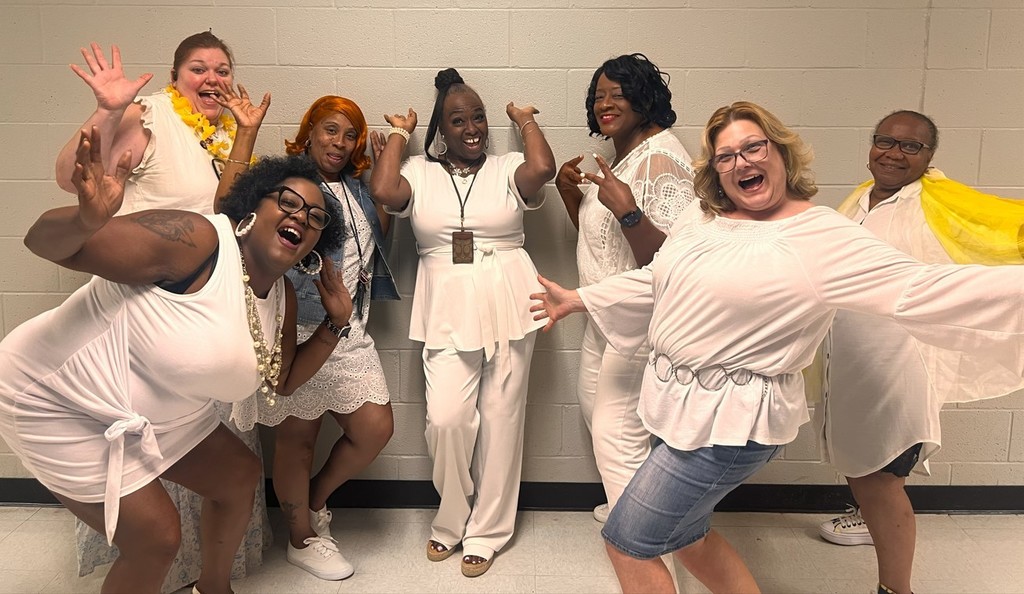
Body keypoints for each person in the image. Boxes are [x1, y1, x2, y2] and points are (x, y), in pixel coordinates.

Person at [529, 101, 1024, 594]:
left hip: (731, 422)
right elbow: (659, 280)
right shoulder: (704, 219)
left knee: (628, 540)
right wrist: (580, 299)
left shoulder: (819, 234)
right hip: (672, 407)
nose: (740, 162)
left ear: (782, 153)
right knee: (687, 535)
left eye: (753, 147)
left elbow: (926, 288)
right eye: (725, 156)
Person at [0, 129, 351, 594]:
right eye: (287, 201)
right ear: (254, 206)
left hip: (159, 412)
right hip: (56, 398)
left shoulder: (281, 295)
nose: (300, 218)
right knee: (156, 538)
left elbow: (280, 381)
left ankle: (213, 589)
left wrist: (335, 324)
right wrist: (85, 221)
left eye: (315, 217)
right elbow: (43, 242)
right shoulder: (198, 241)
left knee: (239, 475)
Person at [52, 35, 275, 590]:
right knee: (146, 438)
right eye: (198, 68)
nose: (212, 77)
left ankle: (203, 573)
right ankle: (153, 562)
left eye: (223, 68)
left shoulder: (222, 132)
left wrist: (246, 136)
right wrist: (107, 110)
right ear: (176, 77)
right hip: (140, 306)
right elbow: (68, 177)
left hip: (199, 310)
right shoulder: (149, 116)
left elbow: (224, 214)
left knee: (207, 445)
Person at [815, 110, 1024, 594]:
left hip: (898, 366)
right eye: (884, 141)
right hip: (851, 363)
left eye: (910, 147)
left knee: (882, 478)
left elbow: (1001, 229)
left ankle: (896, 589)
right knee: (861, 466)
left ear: (930, 157)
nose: (893, 153)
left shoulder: (939, 203)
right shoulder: (858, 201)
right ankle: (867, 520)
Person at [369, 68, 556, 577]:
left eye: (478, 117)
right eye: (458, 120)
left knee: (501, 419)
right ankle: (451, 520)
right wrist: (400, 134)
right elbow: (384, 190)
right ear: (441, 130)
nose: (471, 127)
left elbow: (543, 169)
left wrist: (525, 122)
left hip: (511, 295)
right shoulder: (420, 171)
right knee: (446, 419)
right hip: (445, 301)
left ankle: (489, 531)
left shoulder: (508, 164)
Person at [227, 95, 399, 581]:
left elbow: (376, 239)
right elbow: (237, 215)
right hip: (294, 320)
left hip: (347, 327)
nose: (339, 143)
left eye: (350, 135)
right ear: (309, 132)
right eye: (330, 130)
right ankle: (302, 537)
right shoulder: (291, 187)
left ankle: (314, 501)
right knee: (297, 442)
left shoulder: (355, 188)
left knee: (374, 429)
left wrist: (388, 155)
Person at [554, 53, 695, 523]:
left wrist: (630, 212)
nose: (605, 104)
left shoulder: (661, 159)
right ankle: (629, 503)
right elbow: (603, 241)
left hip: (637, 319)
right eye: (598, 96)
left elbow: (669, 264)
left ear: (646, 98)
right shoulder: (624, 156)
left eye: (618, 93)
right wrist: (571, 194)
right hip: (604, 314)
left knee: (619, 435)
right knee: (600, 417)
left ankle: (643, 537)